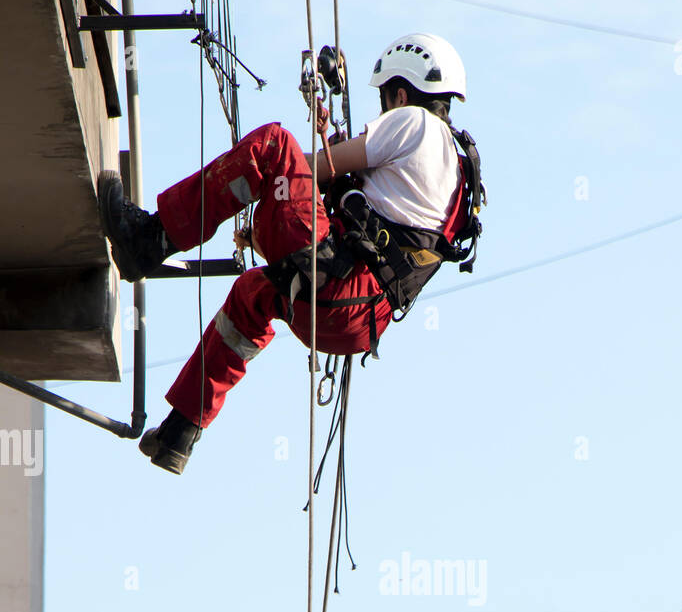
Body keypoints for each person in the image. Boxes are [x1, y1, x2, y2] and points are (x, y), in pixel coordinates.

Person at [98, 33, 478, 474]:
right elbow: (377, 229)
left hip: (337, 282)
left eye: (385, 101)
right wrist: (272, 226)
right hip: (354, 319)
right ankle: (180, 432)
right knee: (252, 296)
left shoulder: (413, 122)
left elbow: (318, 166)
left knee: (275, 146)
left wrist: (291, 178)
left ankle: (150, 239)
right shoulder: (458, 170)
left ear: (400, 92)